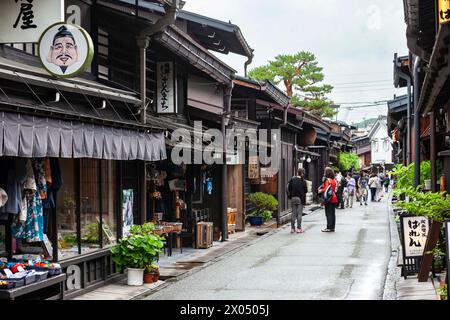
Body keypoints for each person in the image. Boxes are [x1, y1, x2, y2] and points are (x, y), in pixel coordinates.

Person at [287, 168, 308, 234]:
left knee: (293, 213)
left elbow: (289, 188)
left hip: (293, 198)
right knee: (299, 214)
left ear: (297, 172)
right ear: (303, 173)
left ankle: (292, 229)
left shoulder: (292, 180)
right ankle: (299, 228)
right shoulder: (303, 181)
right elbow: (306, 191)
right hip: (300, 199)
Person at [318, 167, 338, 232]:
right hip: (334, 197)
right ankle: (332, 227)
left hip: (329, 198)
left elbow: (326, 189)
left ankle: (328, 227)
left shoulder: (327, 180)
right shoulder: (333, 180)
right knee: (332, 213)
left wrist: (320, 190)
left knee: (328, 213)